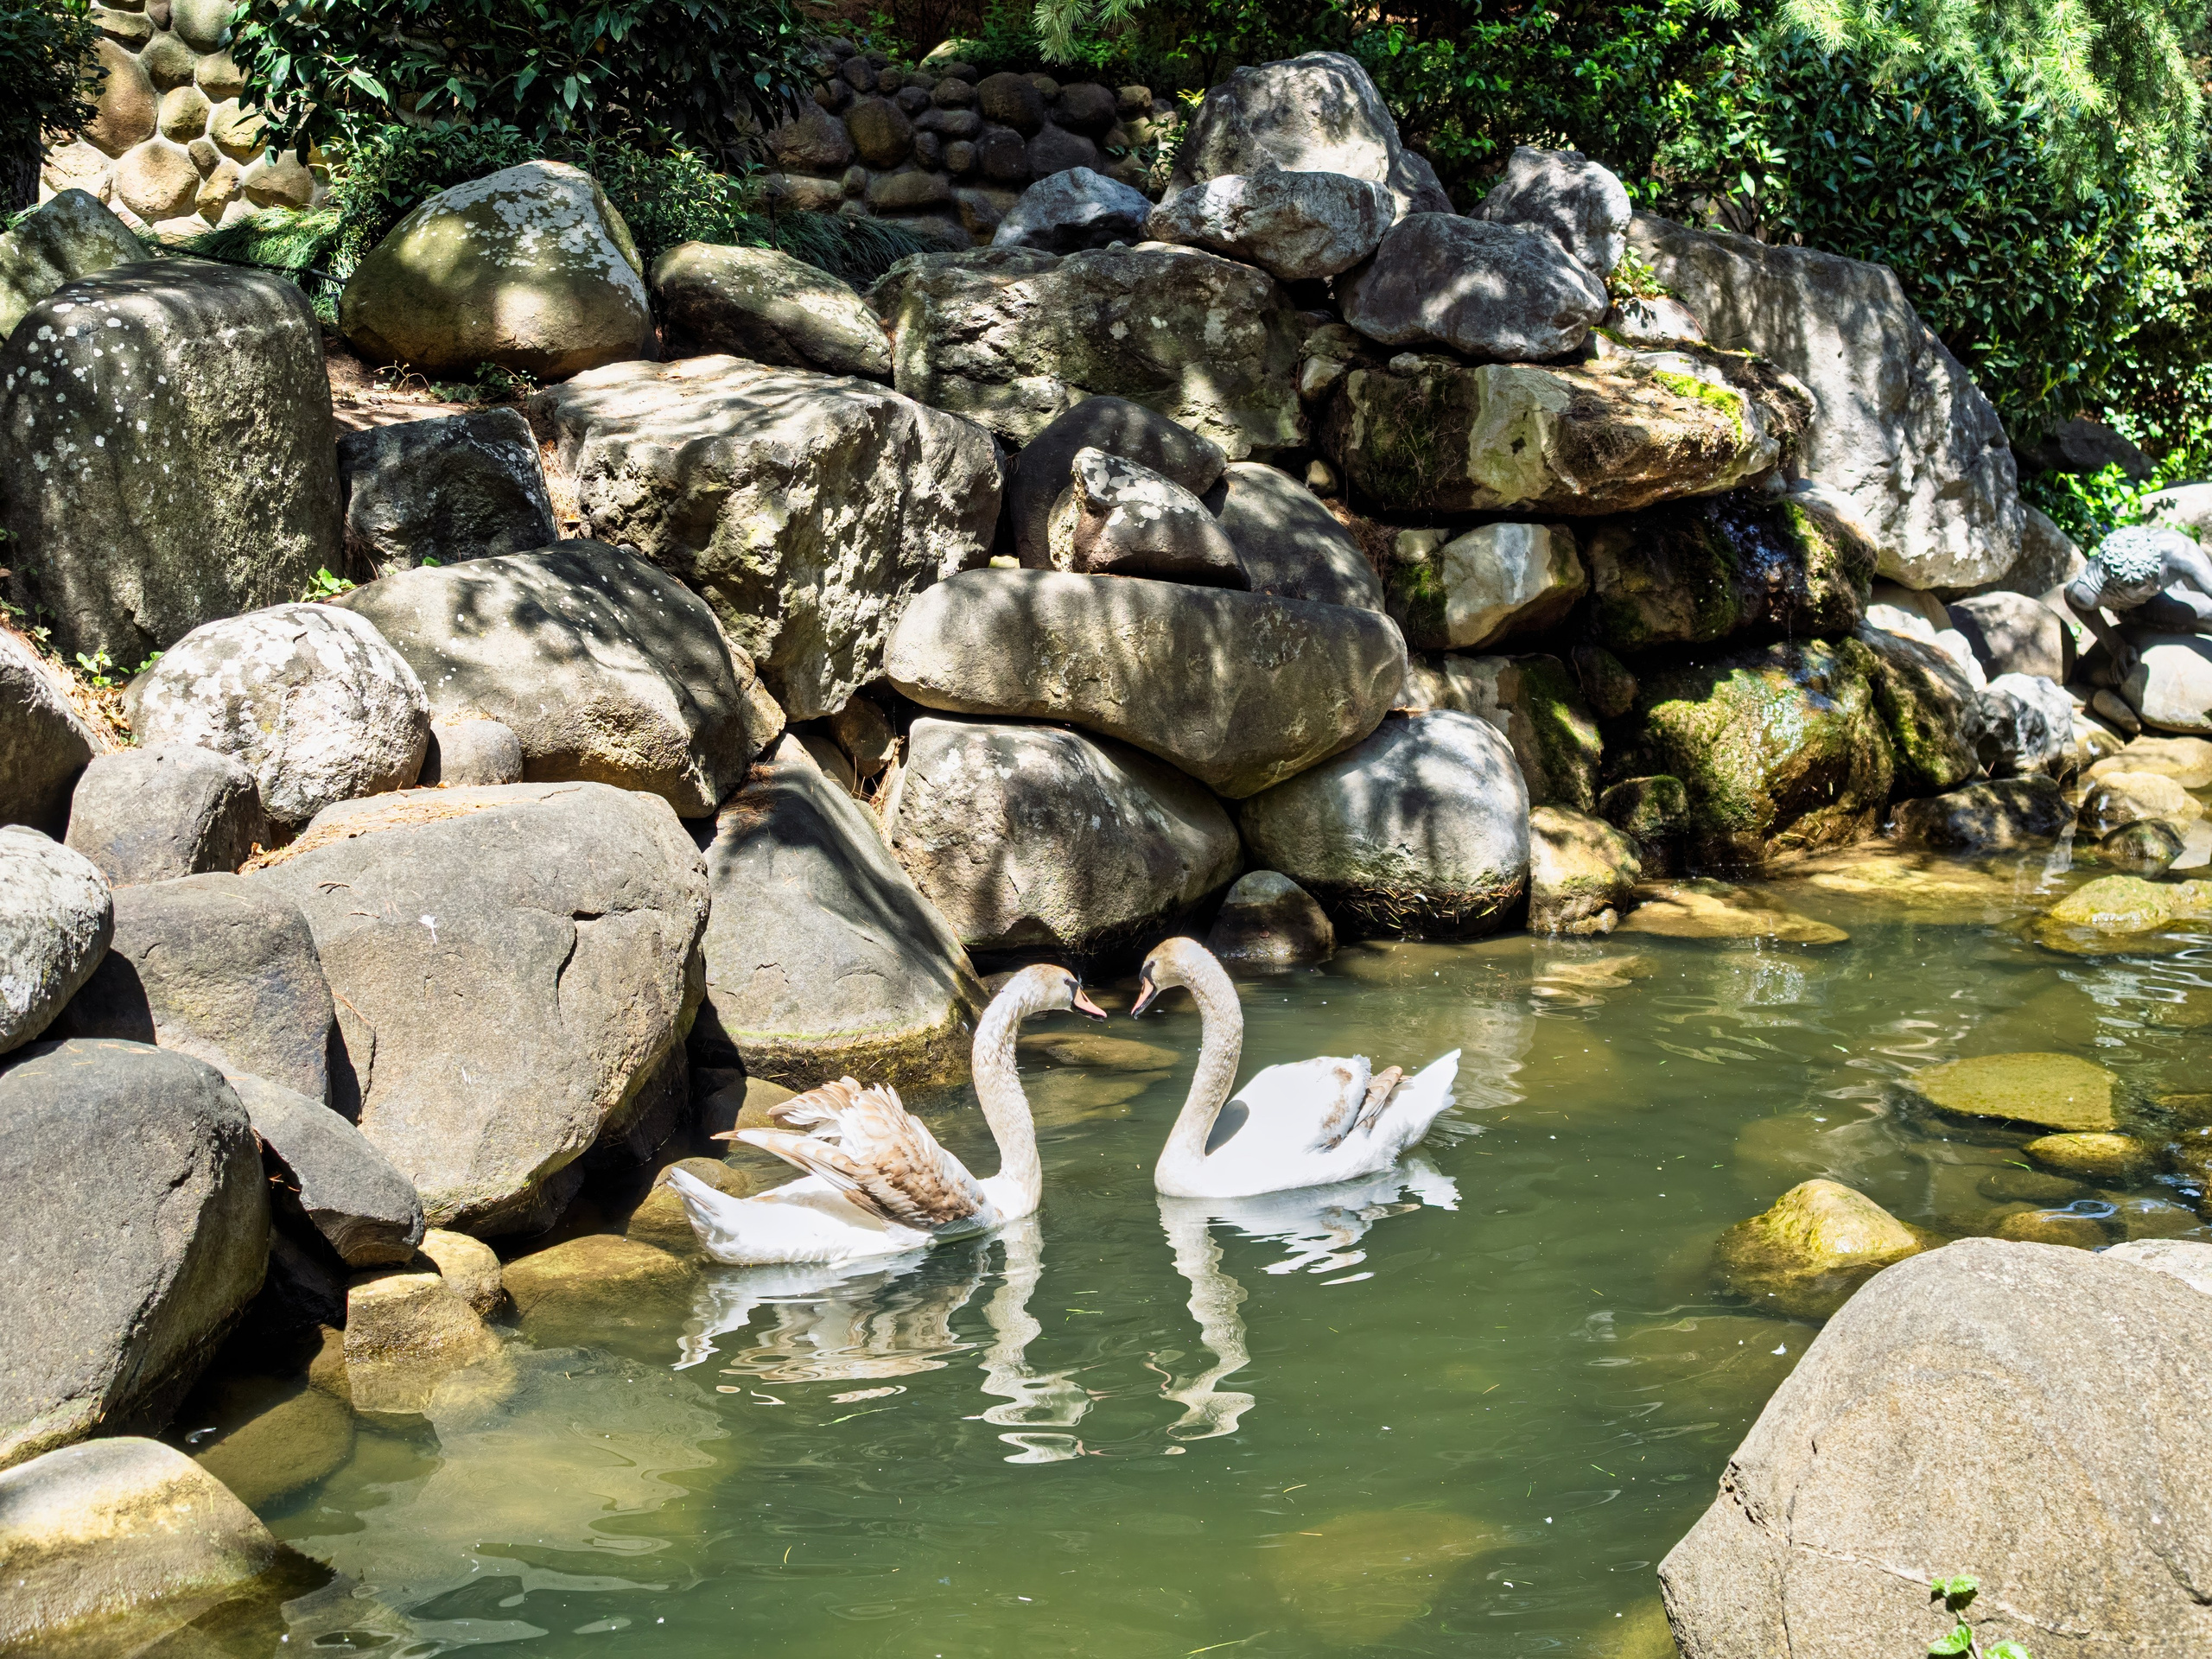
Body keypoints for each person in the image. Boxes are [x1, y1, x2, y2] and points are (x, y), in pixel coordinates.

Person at [2065, 524, 2212, 682]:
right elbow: (2073, 599)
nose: (2155, 585)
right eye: (2139, 584)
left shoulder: (2181, 551)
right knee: (2190, 614)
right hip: (2142, 609)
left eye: (2155, 575)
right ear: (2112, 582)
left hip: (2171, 594)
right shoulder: (2093, 584)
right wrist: (2115, 646)